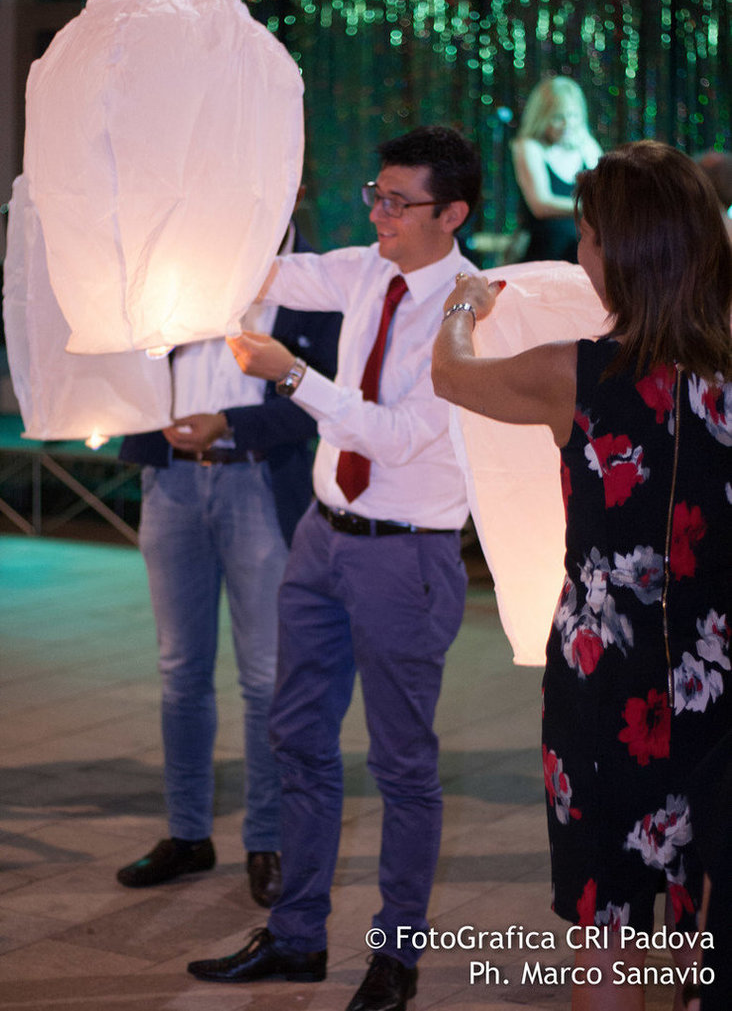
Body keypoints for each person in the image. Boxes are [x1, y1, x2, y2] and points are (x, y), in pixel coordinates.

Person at [186, 125, 481, 1011]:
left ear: (452, 213)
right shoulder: (362, 271)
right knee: (300, 738)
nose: (379, 214)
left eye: (399, 202)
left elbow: (397, 434)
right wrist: (209, 202)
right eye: (375, 196)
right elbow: (266, 272)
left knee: (402, 765)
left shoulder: (473, 309)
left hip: (408, 551)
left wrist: (293, 378)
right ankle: (296, 935)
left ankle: (396, 955)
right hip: (323, 536)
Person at [432, 140, 731, 1011]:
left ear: (620, 253)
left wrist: (463, 304)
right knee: (708, 902)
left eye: (588, 238)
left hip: (606, 684)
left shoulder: (578, 371)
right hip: (718, 674)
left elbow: (451, 372)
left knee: (608, 926)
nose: (580, 254)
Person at [115, 218, 341, 909]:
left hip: (257, 478)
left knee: (266, 675)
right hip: (171, 479)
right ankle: (188, 832)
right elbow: (127, 356)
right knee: (180, 670)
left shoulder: (316, 279)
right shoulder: (175, 255)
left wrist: (233, 425)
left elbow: (323, 399)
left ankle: (266, 839)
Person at [511, 76, 602, 263]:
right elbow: (541, 205)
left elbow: (606, 193)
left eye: (573, 116)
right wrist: (590, 207)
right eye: (558, 118)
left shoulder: (587, 146)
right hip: (544, 256)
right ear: (542, 118)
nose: (568, 124)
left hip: (584, 258)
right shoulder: (529, 147)